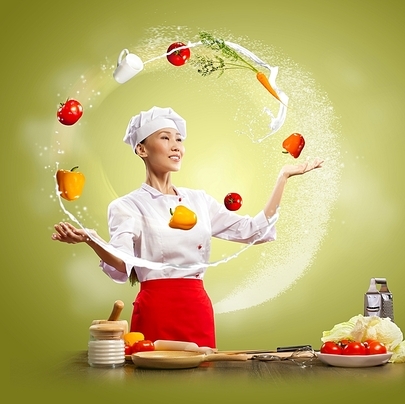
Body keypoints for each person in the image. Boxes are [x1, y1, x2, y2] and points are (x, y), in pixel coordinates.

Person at [52, 106, 323, 348]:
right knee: (152, 385)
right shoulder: (127, 206)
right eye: (165, 138)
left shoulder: (199, 200)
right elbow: (123, 264)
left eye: (179, 139)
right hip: (156, 309)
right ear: (142, 149)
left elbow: (254, 231)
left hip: (197, 308)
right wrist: (92, 239)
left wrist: (283, 178)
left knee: (202, 384)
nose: (176, 146)